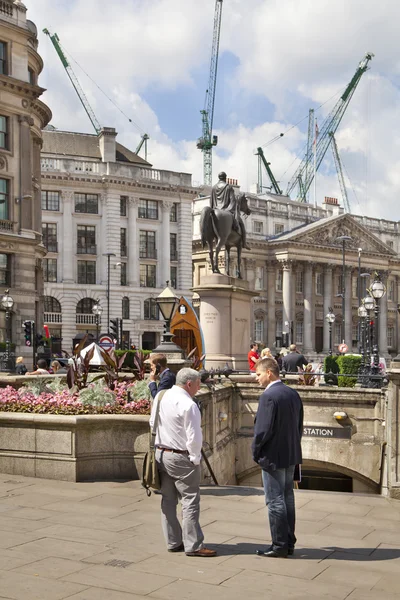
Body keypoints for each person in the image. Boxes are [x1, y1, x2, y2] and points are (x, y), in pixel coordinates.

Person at [149, 368, 216, 557]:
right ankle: (193, 545)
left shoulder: (161, 396)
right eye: (198, 384)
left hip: (161, 453)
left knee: (168, 500)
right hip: (181, 456)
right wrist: (195, 459)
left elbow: (152, 422)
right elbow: (194, 437)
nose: (199, 387)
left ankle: (173, 541)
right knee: (190, 500)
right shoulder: (189, 404)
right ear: (189, 384)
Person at [252, 357, 303, 558]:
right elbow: (299, 425)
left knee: (275, 501)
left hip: (272, 455)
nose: (256, 379)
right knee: (288, 497)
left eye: (258, 374)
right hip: (291, 453)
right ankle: (289, 542)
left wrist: (256, 452)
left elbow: (262, 431)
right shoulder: (293, 393)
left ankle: (279, 544)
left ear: (269, 373)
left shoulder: (268, 396)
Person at [210, 171, 250, 250]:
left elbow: (211, 201)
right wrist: (230, 211)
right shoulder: (228, 187)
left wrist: (212, 210)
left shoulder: (214, 187)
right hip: (226, 210)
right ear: (225, 178)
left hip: (215, 210)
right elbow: (233, 202)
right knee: (241, 225)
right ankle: (244, 243)